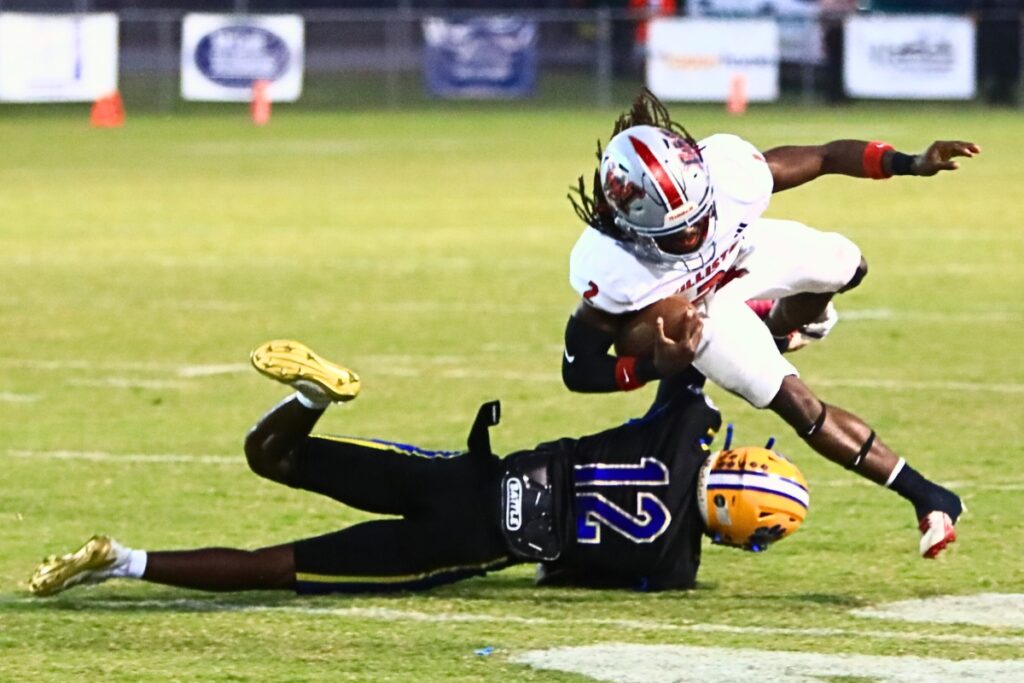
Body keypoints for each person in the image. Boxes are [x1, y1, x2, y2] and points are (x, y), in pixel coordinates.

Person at [29, 339, 807, 597]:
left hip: (468, 476)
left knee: (273, 458)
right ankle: (123, 561)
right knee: (279, 567)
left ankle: (308, 397)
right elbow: (552, 576)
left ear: (738, 462)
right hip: (461, 546)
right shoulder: (670, 566)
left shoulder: (685, 431)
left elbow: (701, 356)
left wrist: (785, 335)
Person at [562, 91, 978, 558]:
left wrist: (910, 162)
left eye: (700, 219)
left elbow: (824, 157)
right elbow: (577, 369)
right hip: (698, 315)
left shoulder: (729, 174)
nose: (694, 236)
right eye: (678, 234)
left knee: (847, 263)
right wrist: (654, 366)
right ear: (630, 223)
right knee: (799, 404)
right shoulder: (611, 262)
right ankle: (927, 495)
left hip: (740, 259)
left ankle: (780, 331)